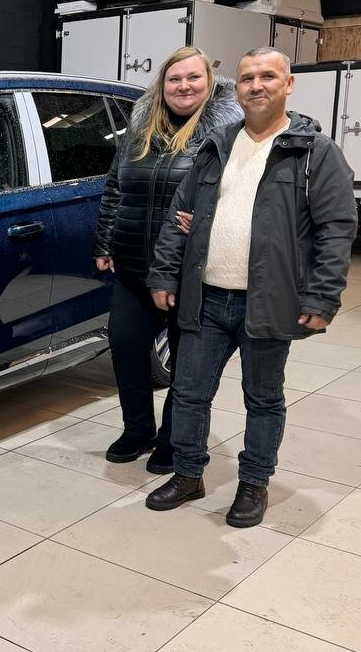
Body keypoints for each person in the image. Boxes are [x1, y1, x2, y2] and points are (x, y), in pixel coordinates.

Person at [143, 46, 357, 527]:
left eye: (267, 76)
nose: (256, 86)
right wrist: (164, 273)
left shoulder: (314, 152)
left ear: (288, 84)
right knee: (189, 393)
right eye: (246, 78)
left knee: (262, 399)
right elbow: (179, 218)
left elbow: (336, 229)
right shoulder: (216, 145)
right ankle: (188, 474)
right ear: (235, 88)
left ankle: (254, 484)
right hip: (205, 298)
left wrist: (323, 295)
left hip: (268, 301)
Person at [93, 46, 242, 474]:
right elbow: (115, 188)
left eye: (194, 77)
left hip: (188, 271)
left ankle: (174, 439)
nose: (184, 86)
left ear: (209, 83)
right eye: (175, 79)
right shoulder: (139, 132)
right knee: (126, 349)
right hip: (132, 265)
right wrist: (104, 243)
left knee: (186, 363)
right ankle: (137, 429)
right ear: (162, 85)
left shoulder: (225, 136)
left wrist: (211, 219)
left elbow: (241, 195)